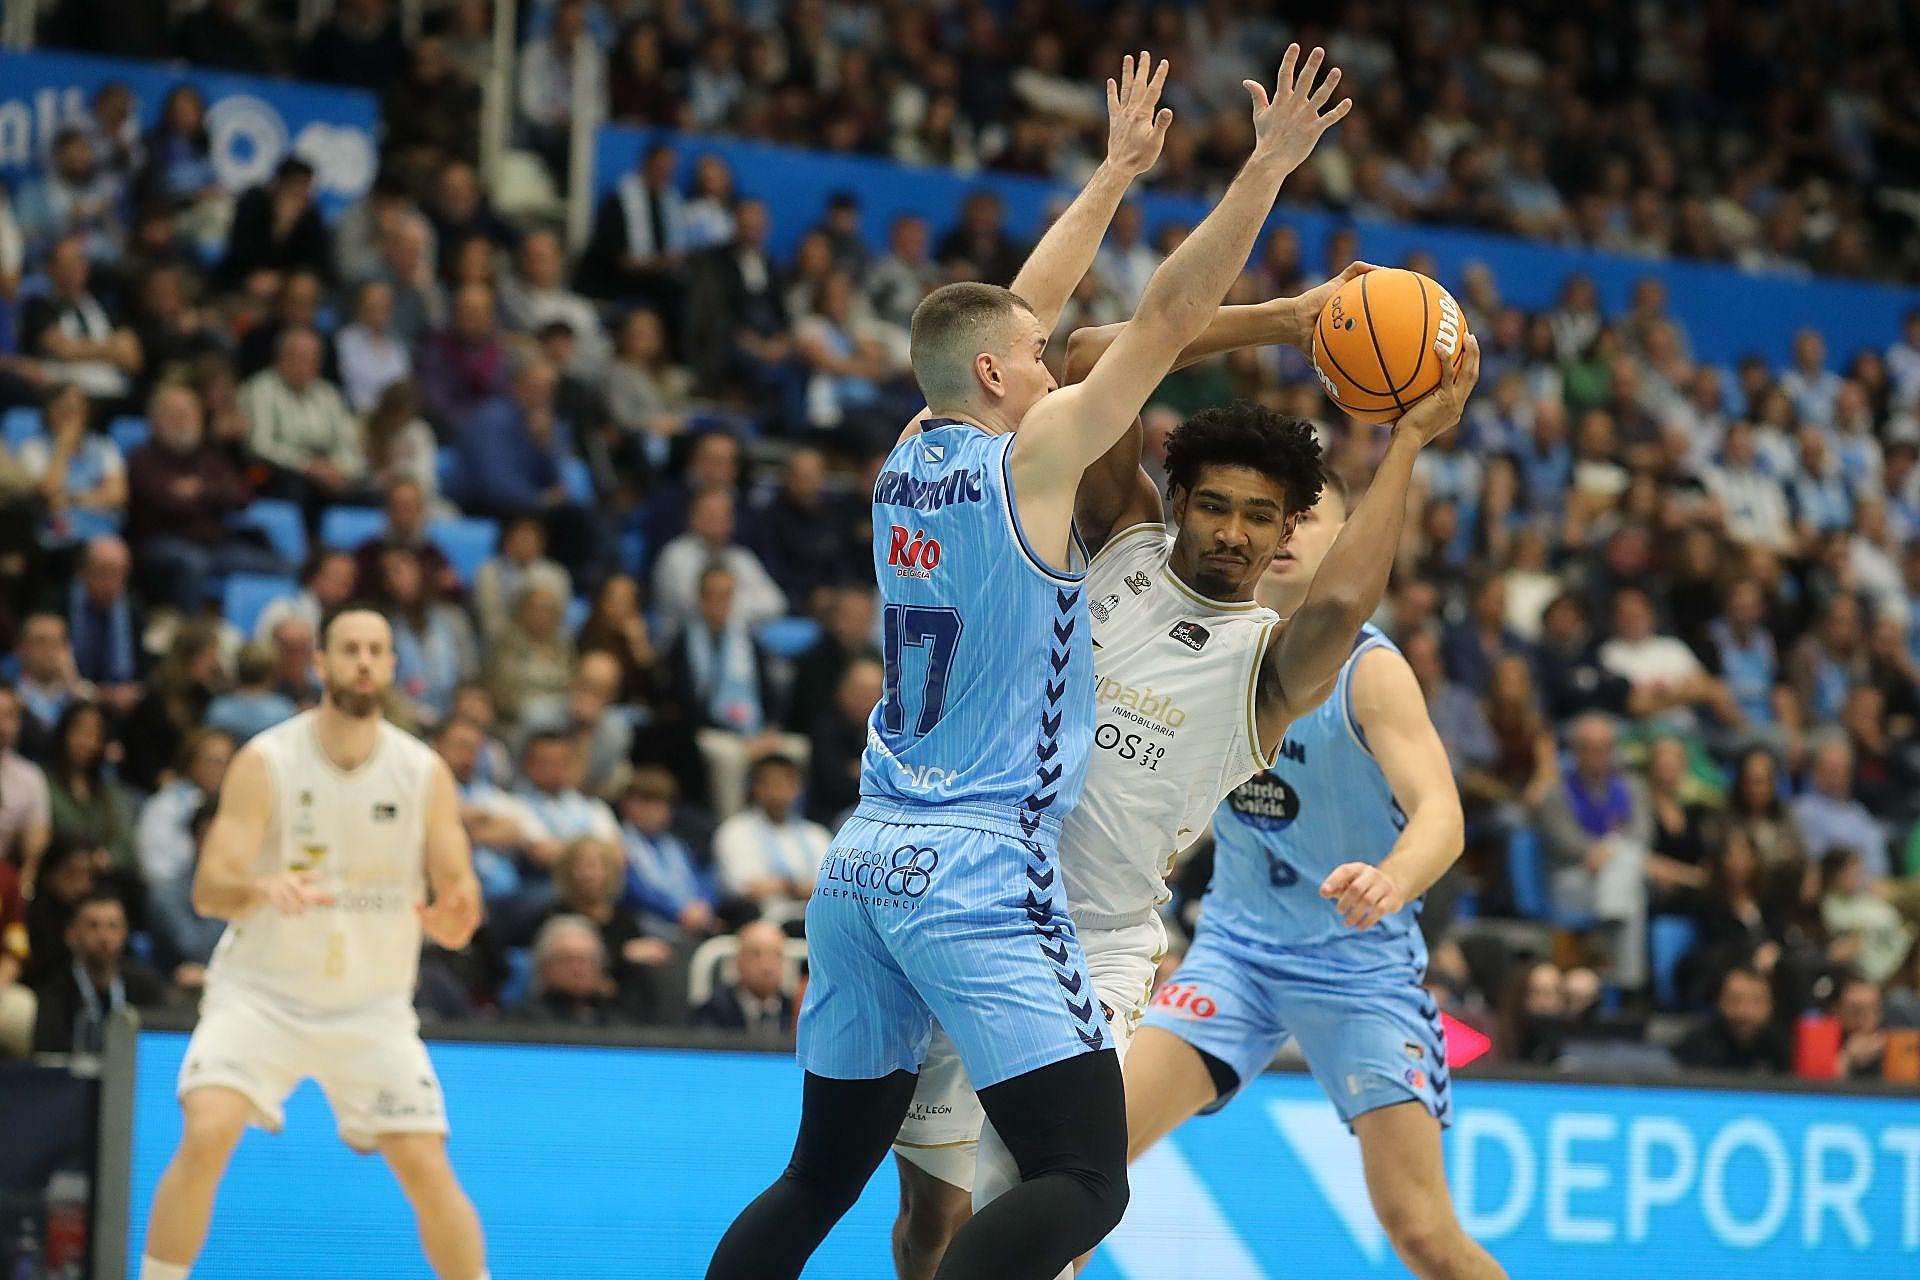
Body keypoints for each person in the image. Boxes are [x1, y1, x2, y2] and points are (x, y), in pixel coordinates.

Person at [708, 47, 1350, 1280]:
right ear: (1003, 380)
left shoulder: (910, 447)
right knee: (1085, 1177)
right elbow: (1160, 320)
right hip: (975, 861)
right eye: (1041, 359)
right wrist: (1268, 169)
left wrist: (1114, 174)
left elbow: (1013, 312)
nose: (1058, 363)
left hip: (862, 858)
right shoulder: (1034, 461)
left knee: (812, 1179)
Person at [918, 337, 1486, 1280]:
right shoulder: (1129, 538)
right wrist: (1292, 315)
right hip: (1224, 948)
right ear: (1183, 500)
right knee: (1036, 1192)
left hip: (1346, 964)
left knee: (1419, 1232)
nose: (1248, 531)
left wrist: (1409, 443)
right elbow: (1102, 349)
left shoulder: (1323, 667)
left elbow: (1443, 812)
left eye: (1276, 518)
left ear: (1306, 528)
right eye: (1218, 505)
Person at [137, 607, 486, 1280]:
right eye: (349, 648)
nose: (362, 661)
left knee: (426, 1165)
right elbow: (209, 889)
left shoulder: (423, 772)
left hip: (371, 1008)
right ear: (321, 663)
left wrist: (456, 920)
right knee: (208, 1128)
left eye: (376, 650)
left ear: (391, 666)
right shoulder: (266, 760)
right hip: (261, 997)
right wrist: (261, 888)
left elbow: (457, 891)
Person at [30, 891, 174, 1053]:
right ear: (72, 935)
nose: (104, 937)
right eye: (93, 926)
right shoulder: (54, 990)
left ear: (125, 933)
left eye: (113, 926)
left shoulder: (147, 986)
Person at [712, 756, 829, 914]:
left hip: (816, 919)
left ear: (798, 788)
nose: (779, 793)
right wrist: (796, 888)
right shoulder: (734, 832)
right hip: (761, 920)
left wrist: (781, 887)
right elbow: (746, 889)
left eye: (787, 785)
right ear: (756, 788)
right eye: (772, 785)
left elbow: (832, 888)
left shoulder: (816, 834)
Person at [508, 913, 624, 1027]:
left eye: (586, 960)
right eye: (568, 959)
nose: (578, 969)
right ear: (544, 966)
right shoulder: (524, 1021)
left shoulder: (619, 1017)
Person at [1672, 965, 1791, 1073]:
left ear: (1771, 1005)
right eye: (1735, 1000)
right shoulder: (1696, 1045)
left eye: (1756, 1002)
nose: (1745, 1011)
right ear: (1719, 1002)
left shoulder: (1787, 1046)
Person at [693, 918, 795, 1038]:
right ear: (738, 961)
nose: (767, 966)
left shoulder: (796, 1010)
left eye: (776, 955)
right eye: (756, 954)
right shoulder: (713, 1011)